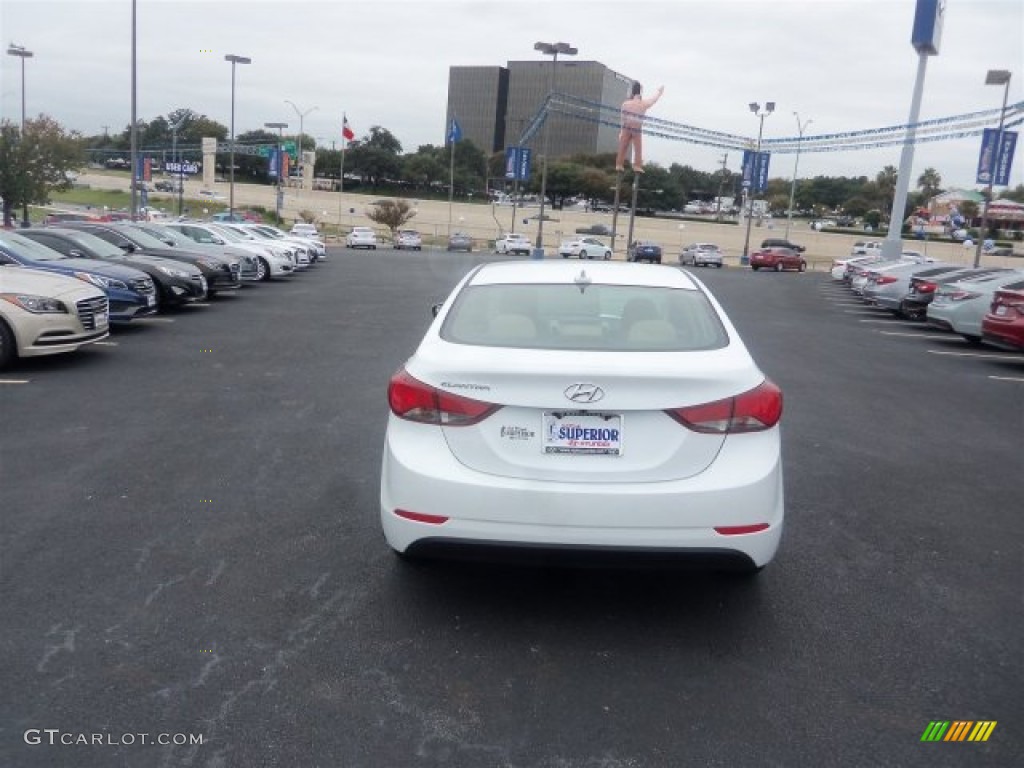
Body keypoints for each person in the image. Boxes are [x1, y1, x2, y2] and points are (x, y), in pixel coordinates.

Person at [615, 81, 664, 173]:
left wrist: (621, 131)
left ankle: (619, 164)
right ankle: (637, 166)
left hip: (626, 127)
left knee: (623, 146)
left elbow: (622, 118)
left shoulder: (625, 104)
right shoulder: (643, 103)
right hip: (637, 128)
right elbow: (653, 100)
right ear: (640, 92)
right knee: (638, 148)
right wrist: (659, 92)